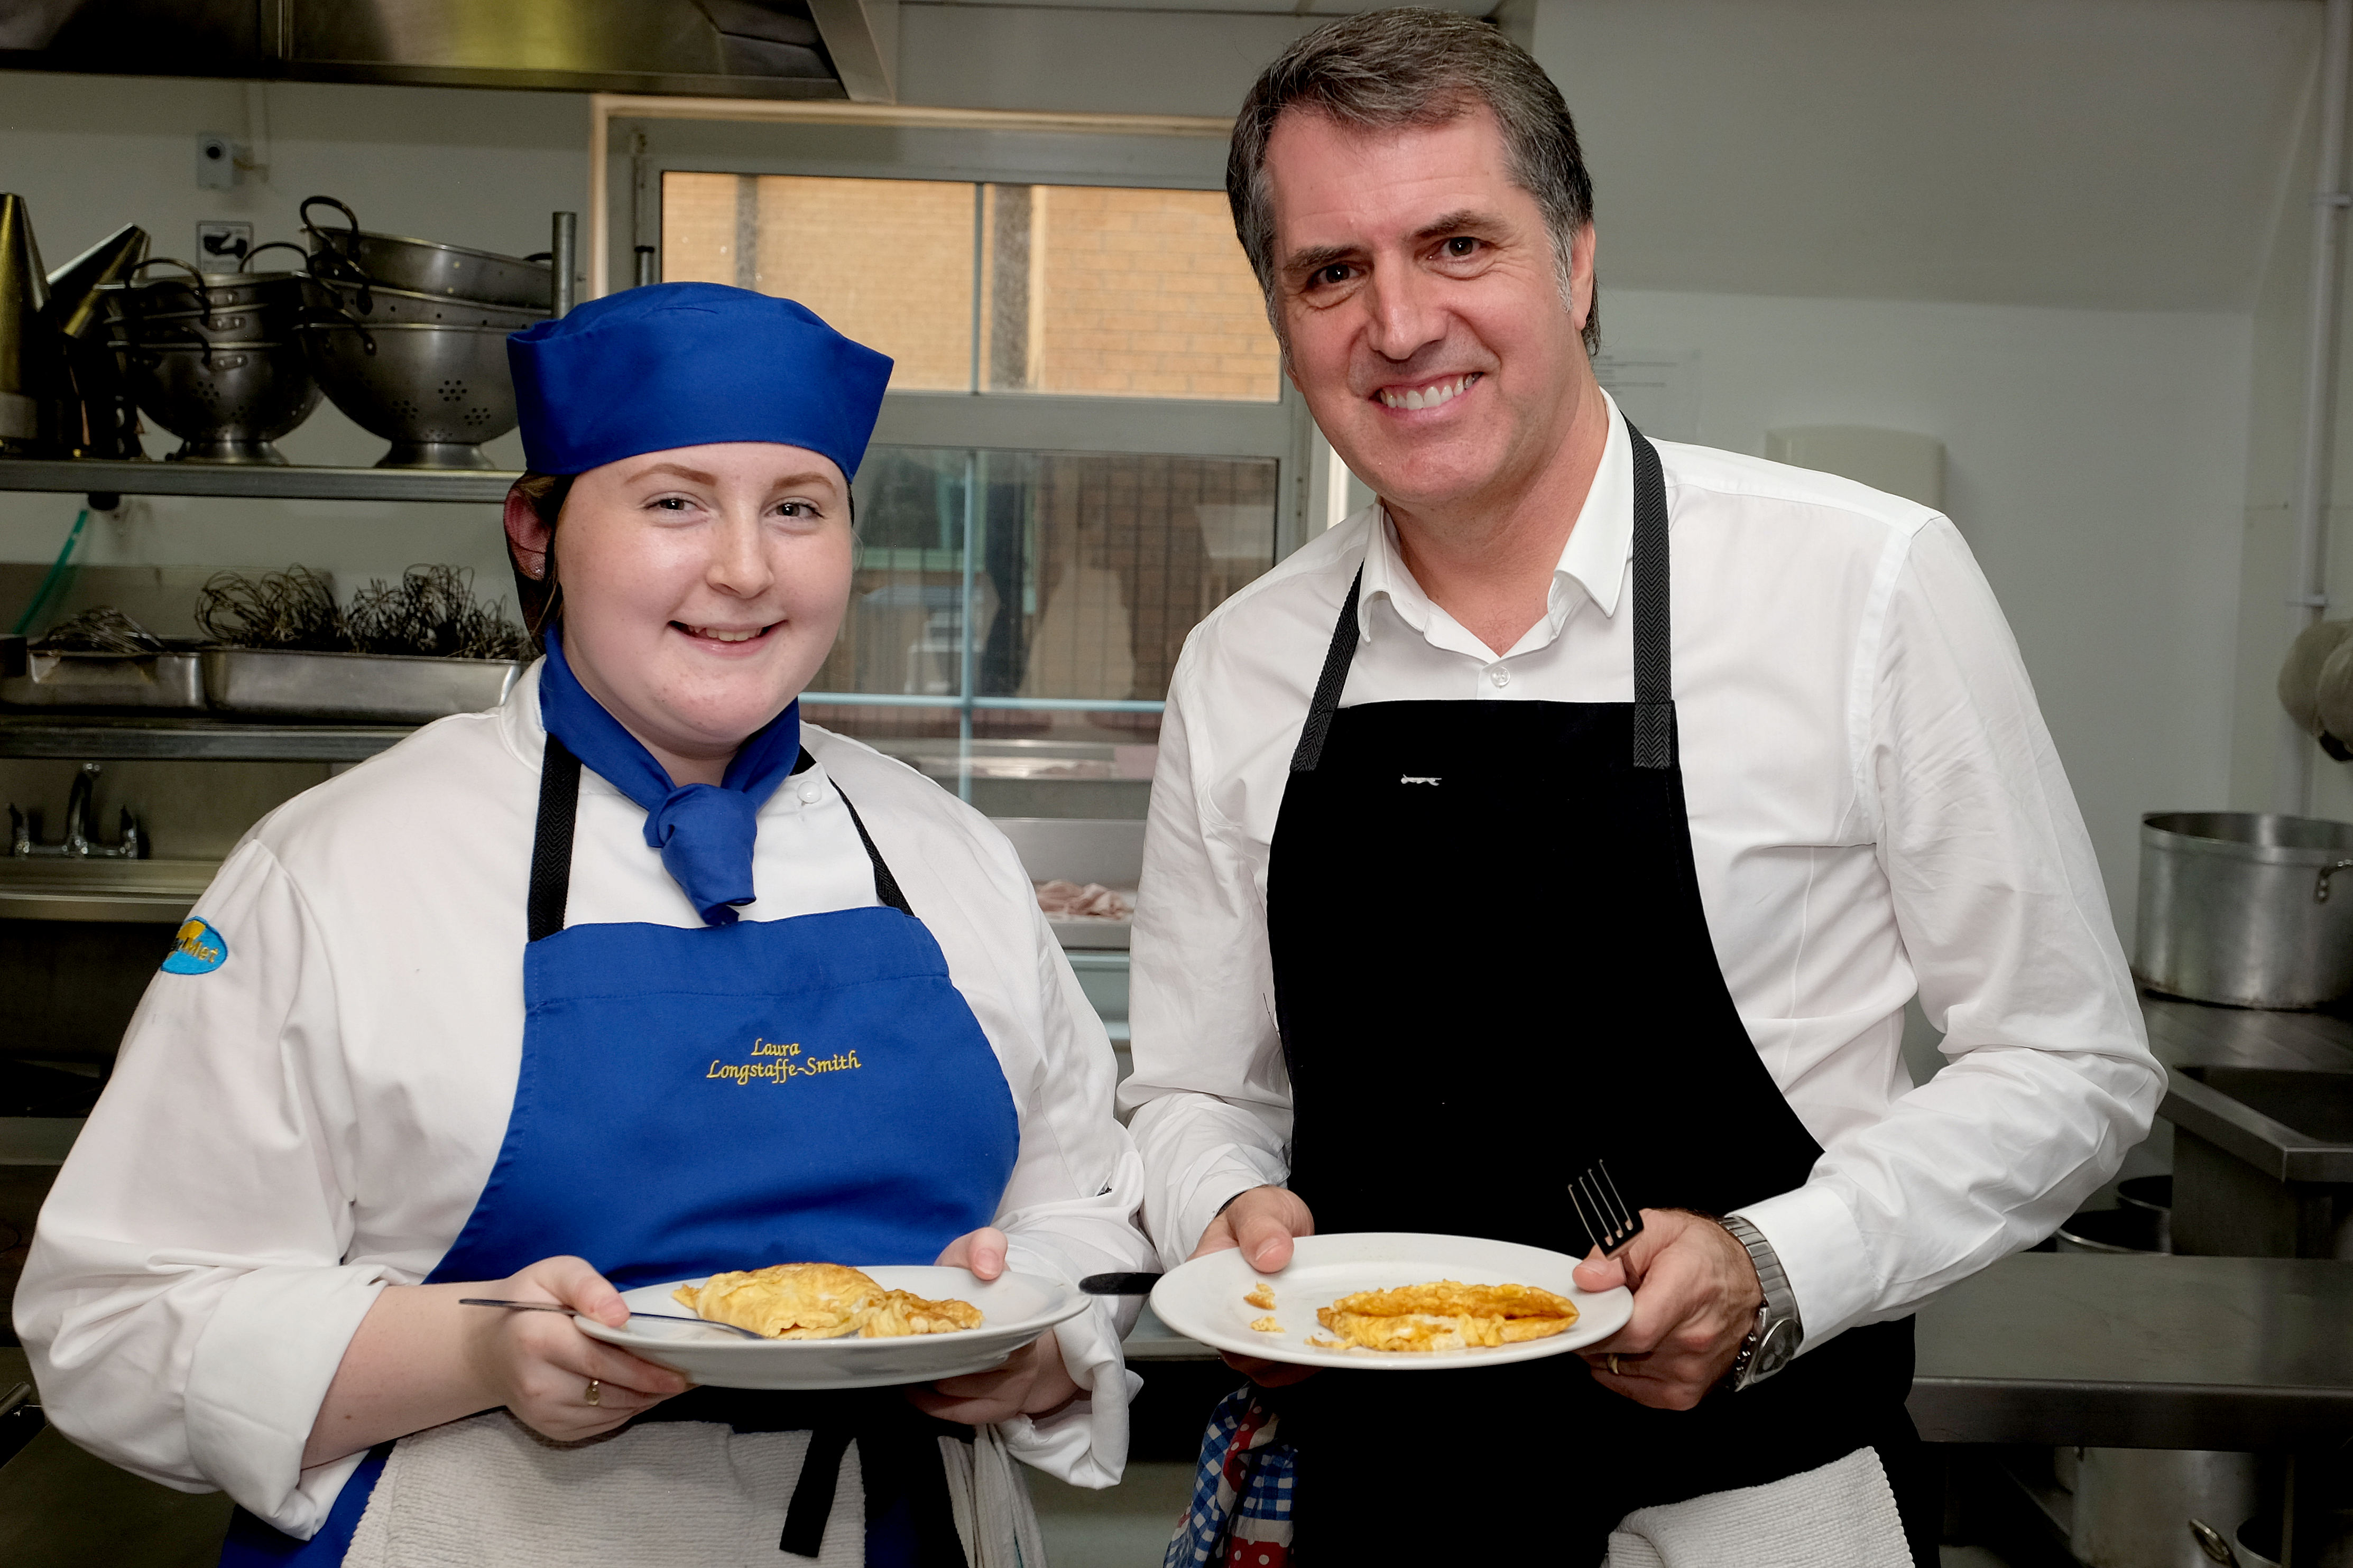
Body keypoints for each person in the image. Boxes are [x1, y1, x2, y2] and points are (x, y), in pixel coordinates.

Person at [1122, 12, 2164, 1565]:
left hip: (1765, 1504)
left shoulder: (1862, 586)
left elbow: (2068, 1062)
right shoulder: (1244, 664)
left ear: (1578, 258)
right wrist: (1219, 1208)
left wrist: (1777, 1263)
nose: (1398, 324)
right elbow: (1196, 1090)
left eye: (1457, 243)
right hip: (1385, 1509)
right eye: (1331, 270)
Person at [16, 282, 1152, 1567]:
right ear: (536, 531)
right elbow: (111, 1322)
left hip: (915, 1527)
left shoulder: (948, 854)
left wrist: (1048, 1349)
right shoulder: (343, 867)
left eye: (798, 506)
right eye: (674, 501)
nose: (743, 566)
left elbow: (1089, 1203)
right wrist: (476, 1348)